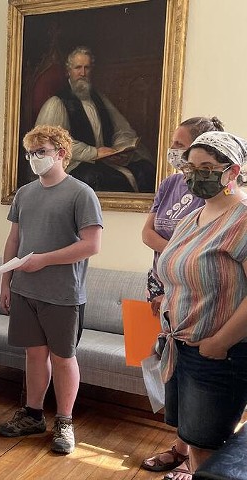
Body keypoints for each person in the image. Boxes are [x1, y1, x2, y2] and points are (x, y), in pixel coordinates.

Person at [0, 125, 103, 454]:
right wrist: (5, 280)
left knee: (63, 358)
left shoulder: (81, 193)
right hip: (25, 290)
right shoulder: (25, 194)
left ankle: (65, 421)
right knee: (33, 354)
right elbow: (14, 240)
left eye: (41, 151)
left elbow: (91, 245)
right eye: (30, 153)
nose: (34, 158)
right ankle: (32, 414)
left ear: (60, 153)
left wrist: (44, 260)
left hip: (63, 293)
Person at [156, 131, 247, 476]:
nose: (195, 175)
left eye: (207, 167)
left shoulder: (242, 219)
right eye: (191, 167)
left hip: (218, 354)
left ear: (232, 171)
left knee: (209, 449)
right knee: (194, 441)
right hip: (182, 346)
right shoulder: (191, 218)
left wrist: (219, 343)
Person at [140, 117, 224, 480]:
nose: (174, 151)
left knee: (199, 377)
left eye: (180, 144)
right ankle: (181, 447)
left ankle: (196, 461)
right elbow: (147, 233)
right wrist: (176, 253)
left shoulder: (214, 194)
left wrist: (177, 253)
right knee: (167, 367)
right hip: (160, 286)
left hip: (197, 294)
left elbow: (206, 248)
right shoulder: (171, 182)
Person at [35, 46, 156, 193]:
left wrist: (118, 150)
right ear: (68, 72)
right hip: (74, 165)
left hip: (106, 162)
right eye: (78, 68)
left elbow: (123, 129)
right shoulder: (56, 103)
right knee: (106, 180)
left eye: (87, 68)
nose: (83, 73)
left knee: (146, 170)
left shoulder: (100, 100)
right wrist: (94, 153)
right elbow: (53, 142)